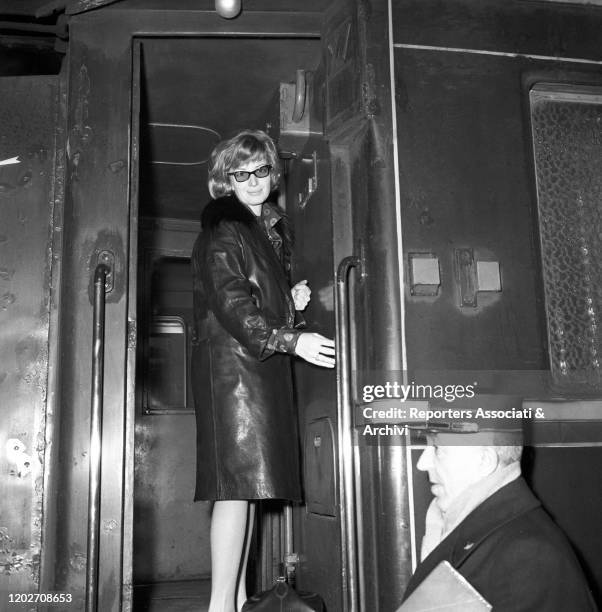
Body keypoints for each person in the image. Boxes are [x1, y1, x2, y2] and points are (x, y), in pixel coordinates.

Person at [190, 129, 335, 612]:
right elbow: (230, 300)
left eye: (262, 171)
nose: (253, 180)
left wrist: (287, 308)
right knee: (236, 489)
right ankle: (219, 606)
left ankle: (232, 599)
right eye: (241, 173)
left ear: (274, 174)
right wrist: (292, 338)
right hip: (234, 371)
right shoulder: (223, 228)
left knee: (247, 489)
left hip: (251, 365)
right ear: (225, 179)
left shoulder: (262, 230)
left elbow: (250, 299)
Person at [401, 395, 597, 611]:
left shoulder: (527, 556)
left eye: (438, 448)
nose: (422, 463)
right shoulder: (474, 530)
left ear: (484, 461)